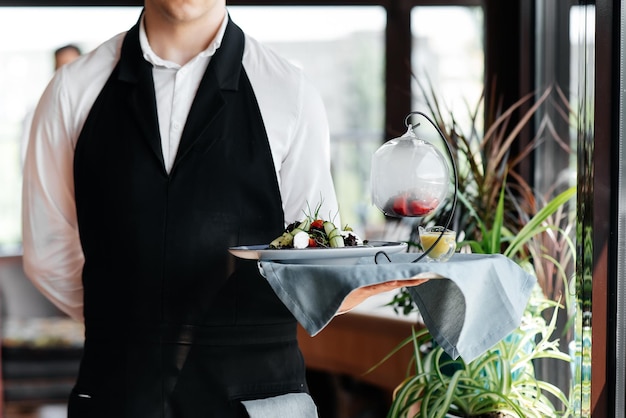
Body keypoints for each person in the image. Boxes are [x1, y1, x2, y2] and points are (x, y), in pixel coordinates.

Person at [22, 1, 339, 417]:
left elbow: (315, 257)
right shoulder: (72, 89)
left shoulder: (290, 91)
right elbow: (48, 251)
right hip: (118, 391)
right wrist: (132, 319)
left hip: (258, 396)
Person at [20, 43, 81, 166]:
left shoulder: (97, 107)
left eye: (73, 66)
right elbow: (26, 160)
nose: (68, 75)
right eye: (62, 67)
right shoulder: (36, 111)